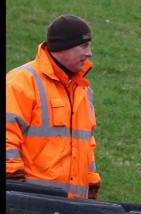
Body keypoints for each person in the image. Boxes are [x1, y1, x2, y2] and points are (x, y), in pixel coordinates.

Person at [6, 14, 102, 199]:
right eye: (84, 46)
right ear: (63, 48)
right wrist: (13, 183)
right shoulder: (21, 82)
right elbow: (7, 135)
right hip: (30, 202)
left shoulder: (83, 90)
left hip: (74, 206)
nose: (89, 53)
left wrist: (91, 183)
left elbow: (86, 144)